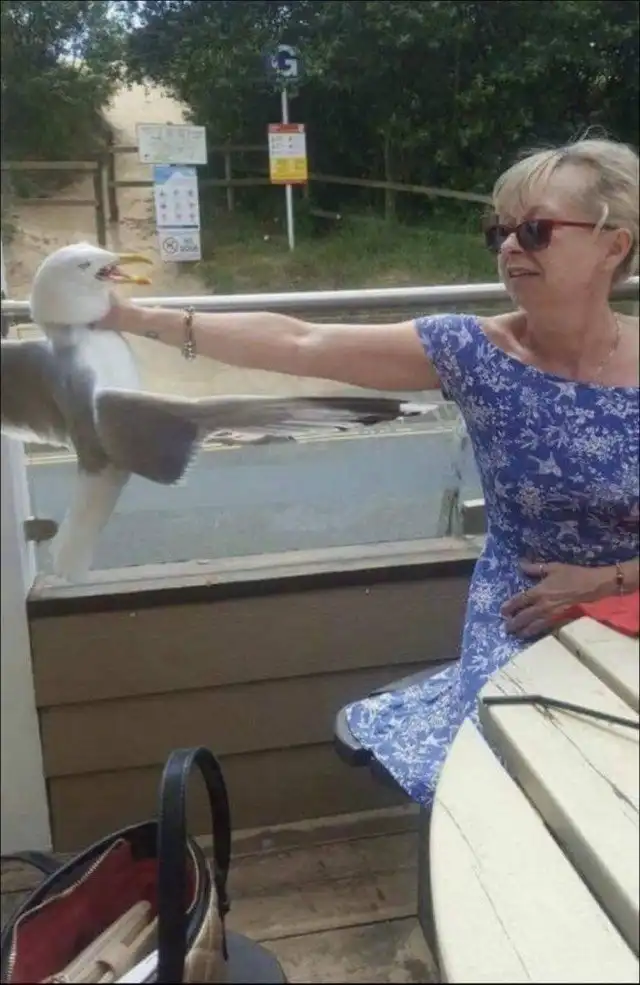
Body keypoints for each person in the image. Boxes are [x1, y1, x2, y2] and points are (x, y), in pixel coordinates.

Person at [103, 136, 639, 804]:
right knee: (528, 765)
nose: (508, 247)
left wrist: (611, 580)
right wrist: (134, 316)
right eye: (498, 231)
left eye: (535, 230)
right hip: (525, 607)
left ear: (613, 247)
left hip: (631, 593)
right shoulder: (472, 353)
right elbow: (304, 342)